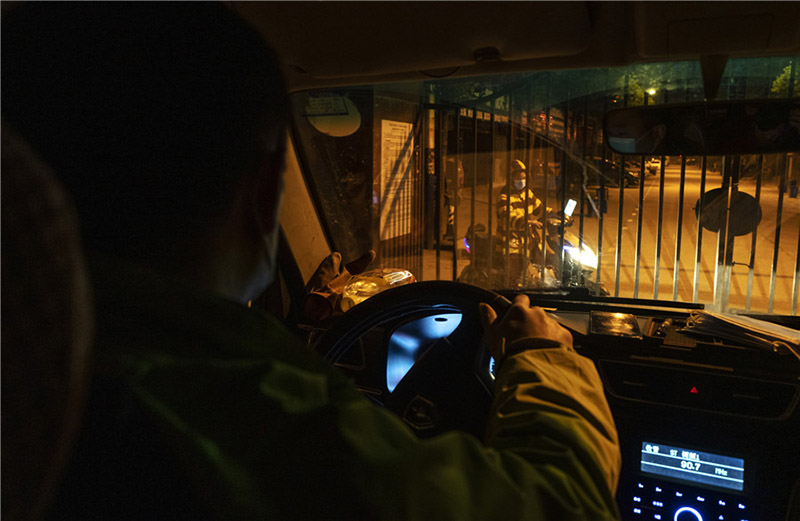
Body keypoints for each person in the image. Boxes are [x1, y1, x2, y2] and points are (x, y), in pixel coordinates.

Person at [2, 3, 620, 520]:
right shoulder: (250, 424)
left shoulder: (40, 376)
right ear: (266, 189)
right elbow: (565, 504)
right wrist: (545, 357)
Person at [497, 160, 552, 264]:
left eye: (523, 178)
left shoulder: (528, 194)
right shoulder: (504, 197)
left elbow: (540, 209)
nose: (521, 181)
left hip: (528, 239)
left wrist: (557, 214)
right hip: (511, 242)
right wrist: (529, 222)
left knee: (544, 262)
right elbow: (508, 217)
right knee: (516, 272)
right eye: (518, 178)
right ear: (511, 179)